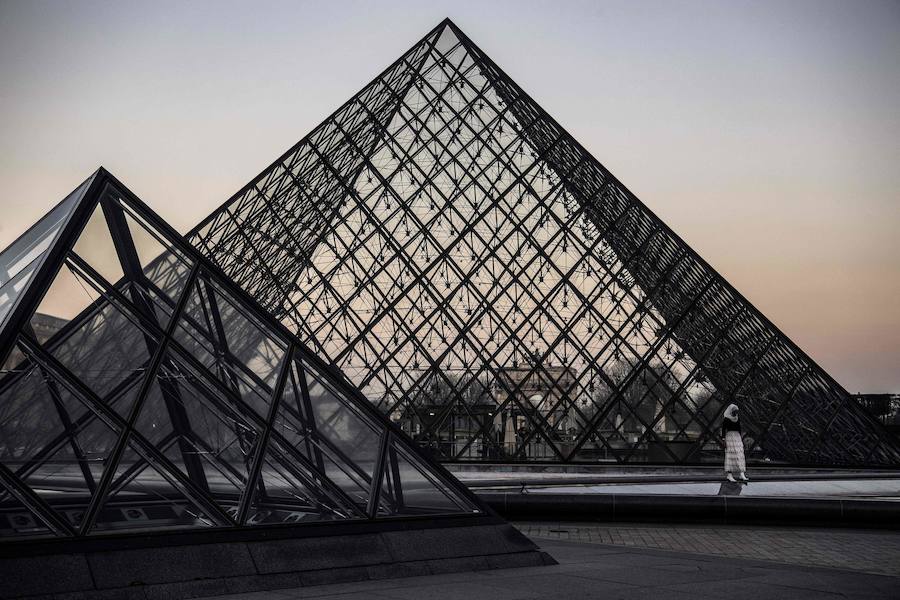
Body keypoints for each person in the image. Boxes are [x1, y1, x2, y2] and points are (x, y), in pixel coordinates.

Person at [722, 403, 748, 482]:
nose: (736, 413)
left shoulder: (737, 418)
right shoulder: (726, 419)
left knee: (740, 454)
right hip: (730, 437)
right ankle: (729, 475)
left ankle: (741, 473)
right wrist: (723, 440)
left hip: (737, 437)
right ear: (731, 411)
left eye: (737, 411)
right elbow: (723, 429)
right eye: (735, 411)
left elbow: (739, 428)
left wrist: (741, 438)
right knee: (730, 455)